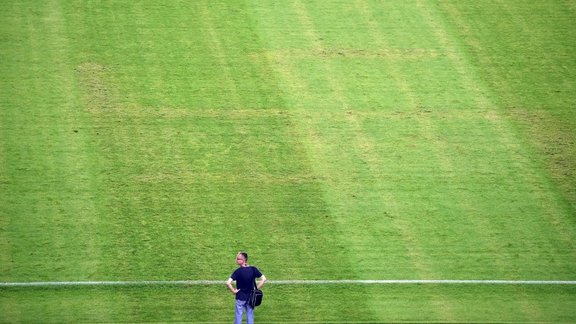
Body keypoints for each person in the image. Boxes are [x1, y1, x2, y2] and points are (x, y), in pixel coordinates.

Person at [226, 252, 267, 324]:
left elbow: (228, 283)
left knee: (238, 316)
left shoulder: (237, 272)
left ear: (243, 260)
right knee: (250, 315)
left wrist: (233, 291)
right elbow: (264, 279)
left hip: (240, 297)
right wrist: (256, 288)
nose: (236, 260)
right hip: (251, 297)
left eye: (238, 259)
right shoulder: (253, 269)